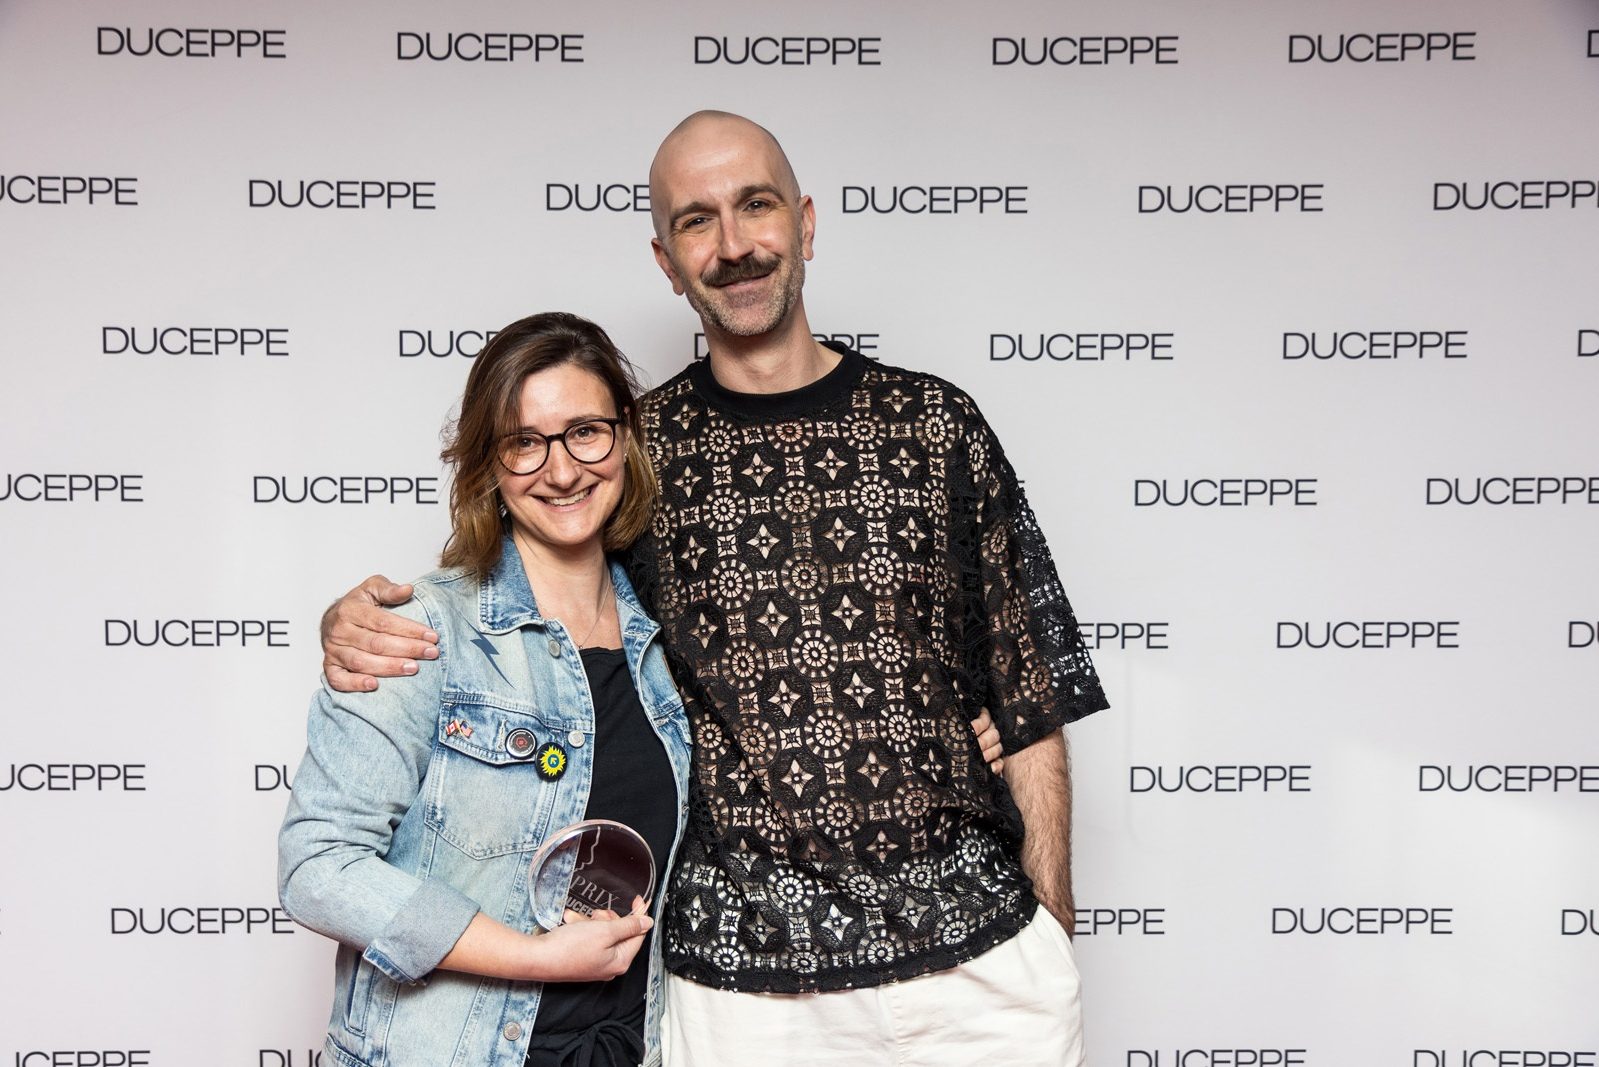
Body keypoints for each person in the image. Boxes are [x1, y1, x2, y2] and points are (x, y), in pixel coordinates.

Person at [320, 112, 1108, 1066]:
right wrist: (361, 619)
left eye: (755, 206)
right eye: (697, 220)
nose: (733, 245)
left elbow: (1029, 695)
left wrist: (1053, 927)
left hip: (981, 969)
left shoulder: (936, 424)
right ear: (666, 260)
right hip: (746, 993)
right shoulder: (632, 456)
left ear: (804, 223)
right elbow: (518, 592)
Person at [279, 312, 691, 1067]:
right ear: (488, 463)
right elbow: (318, 866)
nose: (561, 471)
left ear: (626, 437)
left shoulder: (668, 648)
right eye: (524, 442)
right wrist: (535, 957)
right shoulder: (420, 631)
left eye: (585, 432)